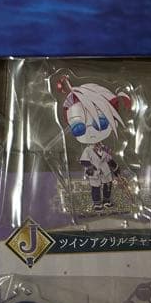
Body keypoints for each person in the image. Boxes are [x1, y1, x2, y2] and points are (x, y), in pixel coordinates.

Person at [59, 76, 130, 212]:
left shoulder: (104, 148)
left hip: (105, 170)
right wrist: (90, 168)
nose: (91, 132)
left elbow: (109, 159)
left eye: (101, 123)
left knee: (108, 184)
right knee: (96, 187)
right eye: (78, 128)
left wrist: (116, 169)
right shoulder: (88, 150)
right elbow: (84, 161)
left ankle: (107, 201)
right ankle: (97, 203)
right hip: (94, 172)